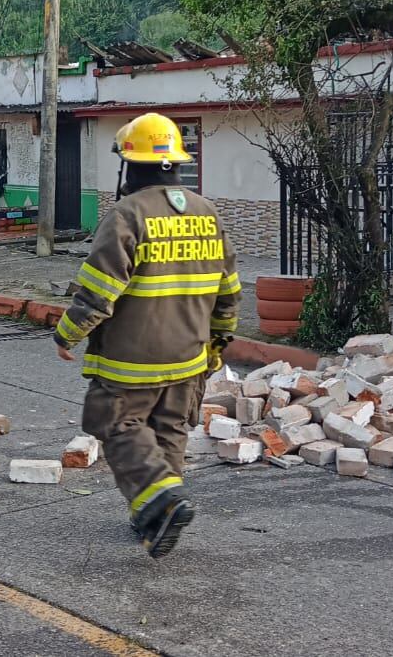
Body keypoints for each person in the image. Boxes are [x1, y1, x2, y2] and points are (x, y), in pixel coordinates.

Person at [53, 113, 240, 558]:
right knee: (169, 430)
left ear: (129, 165)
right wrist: (217, 344)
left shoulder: (127, 214)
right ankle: (153, 518)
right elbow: (229, 292)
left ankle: (161, 497)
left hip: (131, 360)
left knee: (116, 423)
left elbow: (99, 290)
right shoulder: (207, 213)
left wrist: (66, 334)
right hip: (190, 357)